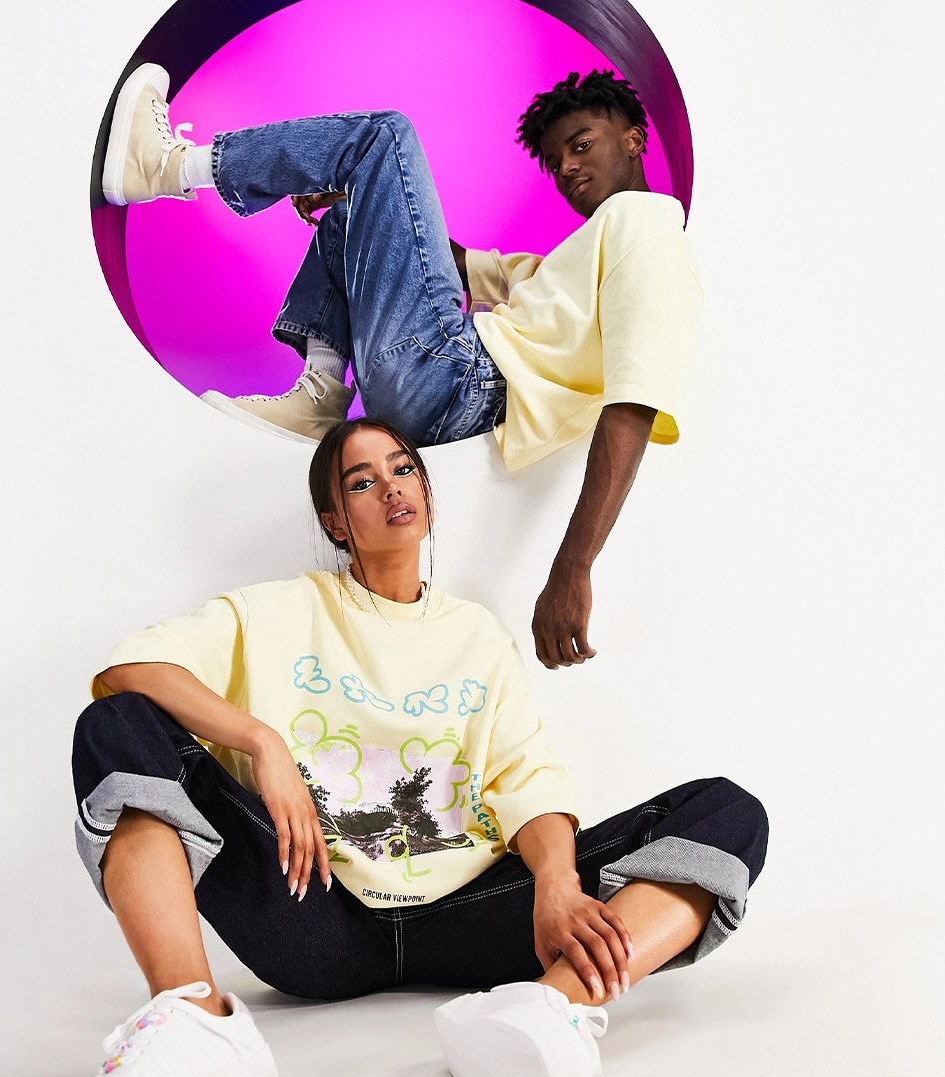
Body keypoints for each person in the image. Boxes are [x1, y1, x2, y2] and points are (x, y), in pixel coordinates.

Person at [71, 418, 767, 1077]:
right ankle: (195, 1019)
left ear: (428, 496)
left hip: (475, 918)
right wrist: (262, 740)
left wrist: (556, 885)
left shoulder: (478, 635)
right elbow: (132, 666)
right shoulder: (275, 611)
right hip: (314, 913)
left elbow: (525, 776)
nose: (391, 488)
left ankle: (550, 1008)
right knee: (119, 723)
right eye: (362, 482)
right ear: (334, 522)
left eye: (403, 470)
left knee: (727, 813)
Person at [101, 66, 702, 672]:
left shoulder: (648, 227)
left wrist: (573, 566)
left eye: (581, 145)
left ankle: (169, 167)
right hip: (441, 388)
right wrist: (367, 200)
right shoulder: (572, 260)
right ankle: (320, 396)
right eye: (555, 161)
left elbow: (635, 400)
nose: (567, 167)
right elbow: (453, 262)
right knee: (348, 217)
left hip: (461, 382)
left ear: (633, 138)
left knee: (384, 137)